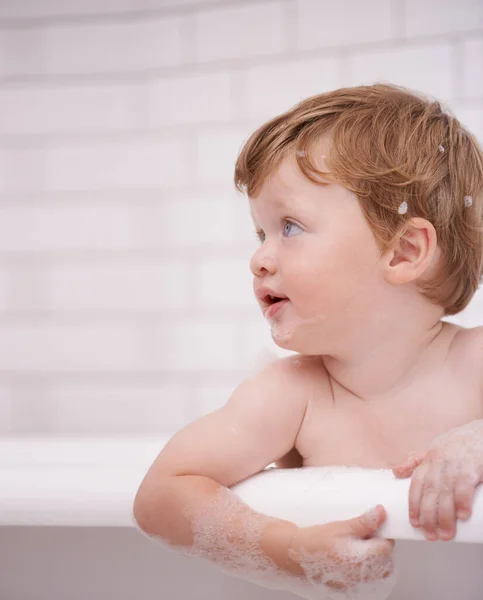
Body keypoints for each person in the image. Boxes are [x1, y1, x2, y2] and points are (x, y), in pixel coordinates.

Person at [133, 83, 483, 597]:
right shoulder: (294, 395)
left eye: (290, 227)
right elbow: (161, 494)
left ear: (404, 251)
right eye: (260, 234)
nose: (259, 258)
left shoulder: (476, 362)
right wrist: (290, 550)